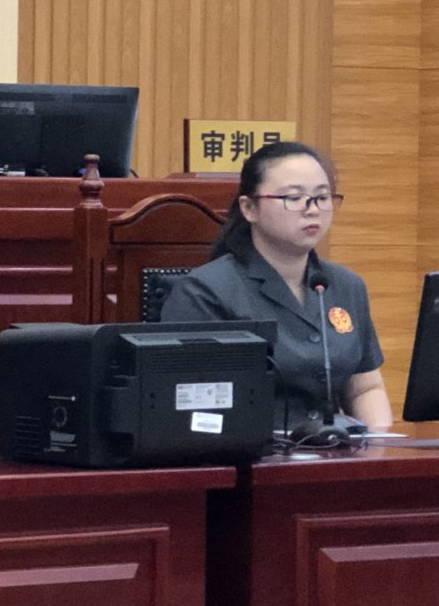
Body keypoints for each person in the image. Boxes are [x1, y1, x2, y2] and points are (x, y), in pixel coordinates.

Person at [160, 140, 392, 429]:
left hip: (336, 448)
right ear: (249, 208)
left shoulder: (346, 286)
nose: (312, 209)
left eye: (322, 197)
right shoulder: (205, 292)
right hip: (252, 450)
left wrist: (378, 443)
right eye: (294, 198)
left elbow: (365, 388)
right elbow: (192, 405)